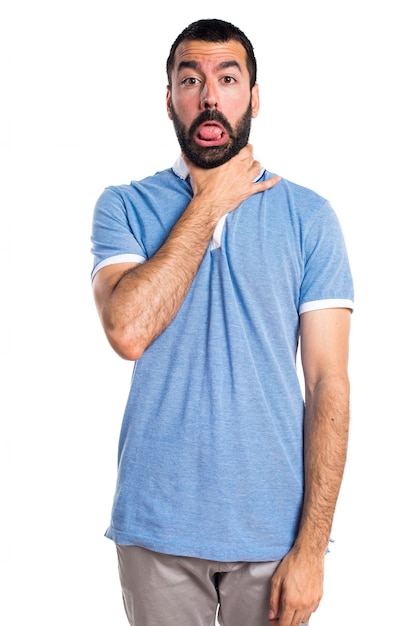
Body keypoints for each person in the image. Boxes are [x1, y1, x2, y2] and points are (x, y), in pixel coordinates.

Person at [90, 18, 354, 626]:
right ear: (169, 100)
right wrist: (213, 199)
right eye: (192, 79)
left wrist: (313, 548)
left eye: (228, 78)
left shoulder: (309, 217)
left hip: (273, 535)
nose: (210, 96)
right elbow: (127, 330)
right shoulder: (124, 206)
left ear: (254, 97)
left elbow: (327, 385)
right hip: (157, 527)